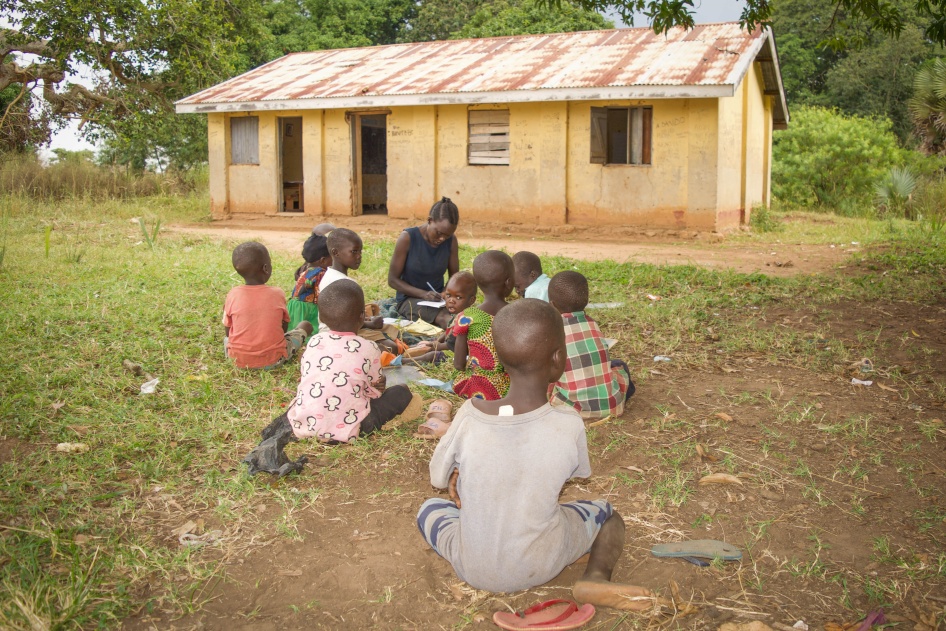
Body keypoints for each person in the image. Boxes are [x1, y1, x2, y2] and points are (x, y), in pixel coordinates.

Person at [416, 298, 656, 610]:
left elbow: (438, 478)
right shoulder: (568, 424)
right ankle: (595, 577)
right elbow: (574, 473)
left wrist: (462, 476)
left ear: (500, 358)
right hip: (544, 561)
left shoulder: (468, 415)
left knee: (430, 507)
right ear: (558, 359)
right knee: (607, 514)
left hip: (471, 565)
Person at [286, 279, 413, 443]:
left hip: (305, 424)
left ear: (322, 317)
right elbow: (374, 391)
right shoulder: (370, 348)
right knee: (401, 392)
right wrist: (379, 386)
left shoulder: (314, 341)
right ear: (362, 317)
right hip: (351, 426)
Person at [547, 271, 634, 420]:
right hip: (612, 406)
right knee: (619, 365)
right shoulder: (592, 324)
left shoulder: (552, 331)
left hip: (570, 409)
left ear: (552, 304)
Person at [222, 241, 313, 370]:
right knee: (305, 325)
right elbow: (283, 328)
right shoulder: (277, 293)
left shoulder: (233, 294)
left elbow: (228, 330)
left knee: (227, 341)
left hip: (237, 360)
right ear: (266, 268)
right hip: (274, 360)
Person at [319, 228, 399, 351]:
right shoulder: (341, 283)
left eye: (360, 252)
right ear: (336, 253)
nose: (359, 256)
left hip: (343, 329)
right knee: (390, 347)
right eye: (354, 252)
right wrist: (371, 324)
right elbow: (343, 323)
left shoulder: (329, 276)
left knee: (392, 331)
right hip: (338, 333)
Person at [387, 197, 460, 328]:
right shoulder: (408, 238)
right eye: (439, 233)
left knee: (467, 315)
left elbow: (455, 276)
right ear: (430, 220)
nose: (442, 238)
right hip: (409, 299)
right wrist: (423, 294)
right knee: (445, 319)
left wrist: (445, 293)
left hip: (439, 299)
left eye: (447, 235)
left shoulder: (451, 241)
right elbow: (392, 280)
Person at [451, 250, 513, 401]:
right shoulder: (515, 314)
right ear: (509, 282)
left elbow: (459, 364)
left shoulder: (467, 317)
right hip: (507, 390)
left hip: (474, 388)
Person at [406, 271, 477, 365]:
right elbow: (449, 329)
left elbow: (452, 345)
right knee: (427, 343)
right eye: (448, 295)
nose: (451, 301)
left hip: (458, 354)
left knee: (433, 355)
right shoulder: (458, 315)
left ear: (471, 300)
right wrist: (437, 341)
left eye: (458, 297)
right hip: (450, 344)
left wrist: (437, 346)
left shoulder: (466, 319)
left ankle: (407, 361)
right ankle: (408, 349)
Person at [287, 233, 331, 333]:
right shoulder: (321, 273)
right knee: (313, 332)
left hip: (296, 308)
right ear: (323, 260)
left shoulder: (304, 269)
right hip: (309, 310)